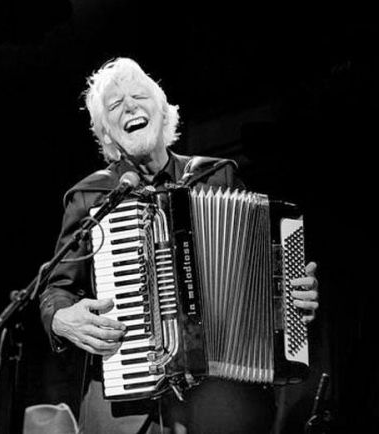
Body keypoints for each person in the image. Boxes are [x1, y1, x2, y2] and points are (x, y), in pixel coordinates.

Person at [39, 57, 319, 434]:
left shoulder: (217, 175)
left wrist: (290, 298)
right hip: (133, 406)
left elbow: (258, 271)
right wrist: (60, 318)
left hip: (222, 401)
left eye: (140, 96)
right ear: (106, 134)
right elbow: (56, 288)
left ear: (164, 113)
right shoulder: (92, 196)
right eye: (115, 105)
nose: (130, 106)